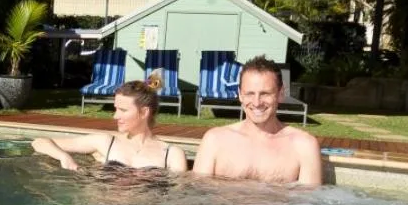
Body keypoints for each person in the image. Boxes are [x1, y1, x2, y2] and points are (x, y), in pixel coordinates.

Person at [192, 55, 323, 185]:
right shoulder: (215, 140)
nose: (256, 103)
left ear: (281, 93)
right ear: (240, 95)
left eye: (265, 94)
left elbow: (310, 198)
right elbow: (198, 194)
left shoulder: (304, 146)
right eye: (250, 93)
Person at [30, 77, 188, 172]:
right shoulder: (106, 142)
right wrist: (64, 157)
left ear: (144, 112)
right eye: (115, 109)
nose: (115, 116)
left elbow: (178, 195)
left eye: (123, 110)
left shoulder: (172, 154)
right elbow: (39, 142)